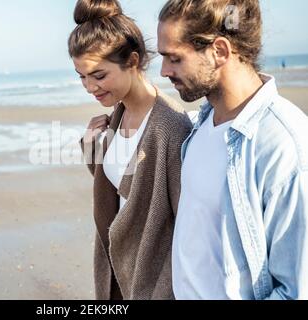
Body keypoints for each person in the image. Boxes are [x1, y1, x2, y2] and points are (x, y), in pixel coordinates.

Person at [157, 0, 308, 299]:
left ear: (220, 51)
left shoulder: (283, 144)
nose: (163, 71)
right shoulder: (202, 124)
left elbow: (296, 291)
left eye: (173, 58)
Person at [68, 0, 192, 299]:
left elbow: (187, 231)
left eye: (98, 76)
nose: (89, 87)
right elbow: (120, 186)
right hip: (115, 268)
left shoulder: (171, 129)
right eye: (82, 76)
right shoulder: (118, 113)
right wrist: (91, 148)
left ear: (133, 61)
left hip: (151, 282)